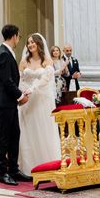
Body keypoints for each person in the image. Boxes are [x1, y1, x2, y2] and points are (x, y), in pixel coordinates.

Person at [17, 34, 61, 174]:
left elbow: (46, 79)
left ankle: (47, 163)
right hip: (28, 100)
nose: (30, 45)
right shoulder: (24, 61)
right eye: (28, 42)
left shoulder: (47, 60)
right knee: (28, 130)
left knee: (43, 129)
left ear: (38, 43)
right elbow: (20, 79)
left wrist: (34, 88)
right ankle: (28, 165)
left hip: (42, 100)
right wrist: (22, 92)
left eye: (32, 42)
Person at [0, 25, 31, 185]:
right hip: (4, 103)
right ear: (14, 36)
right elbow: (6, 80)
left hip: (9, 102)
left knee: (14, 135)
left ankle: (14, 170)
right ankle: (3, 172)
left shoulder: (6, 52)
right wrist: (20, 96)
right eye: (19, 36)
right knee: (4, 138)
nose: (18, 39)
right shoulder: (3, 54)